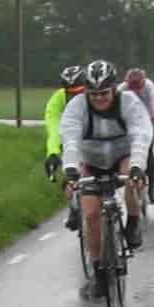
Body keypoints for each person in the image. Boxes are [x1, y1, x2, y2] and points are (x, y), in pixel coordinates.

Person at [60, 59, 153, 300]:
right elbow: (70, 140)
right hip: (92, 161)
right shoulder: (77, 107)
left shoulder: (128, 102)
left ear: (114, 89)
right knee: (90, 214)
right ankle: (99, 273)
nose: (99, 99)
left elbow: (141, 134)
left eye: (104, 93)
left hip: (123, 154)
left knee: (132, 181)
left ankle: (133, 222)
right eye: (93, 94)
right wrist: (70, 171)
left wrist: (137, 167)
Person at [45, 64, 87, 229]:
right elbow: (54, 129)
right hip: (70, 139)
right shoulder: (57, 100)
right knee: (70, 173)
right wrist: (53, 153)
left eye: (79, 92)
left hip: (93, 138)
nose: (75, 96)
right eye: (71, 93)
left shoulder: (94, 97)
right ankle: (74, 207)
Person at [123, 67, 154, 204]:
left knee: (148, 152)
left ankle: (152, 188)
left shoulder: (149, 87)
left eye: (138, 86)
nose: (135, 90)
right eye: (132, 87)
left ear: (143, 82)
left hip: (148, 121)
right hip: (130, 122)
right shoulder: (122, 89)